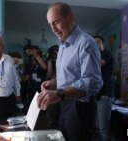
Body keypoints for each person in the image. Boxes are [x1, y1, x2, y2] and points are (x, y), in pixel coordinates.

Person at [37, 2, 103, 141]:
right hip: (65, 103)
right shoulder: (62, 45)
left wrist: (60, 94)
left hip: (80, 107)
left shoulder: (86, 43)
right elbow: (69, 77)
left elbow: (92, 82)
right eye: (50, 24)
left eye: (56, 22)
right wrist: (54, 83)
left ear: (71, 17)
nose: (53, 29)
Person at [93, 35, 114, 141]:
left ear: (103, 44)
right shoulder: (94, 55)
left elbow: (98, 63)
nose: (96, 44)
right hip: (97, 95)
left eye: (98, 42)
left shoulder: (106, 53)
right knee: (97, 128)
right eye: (94, 42)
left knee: (103, 129)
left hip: (105, 94)